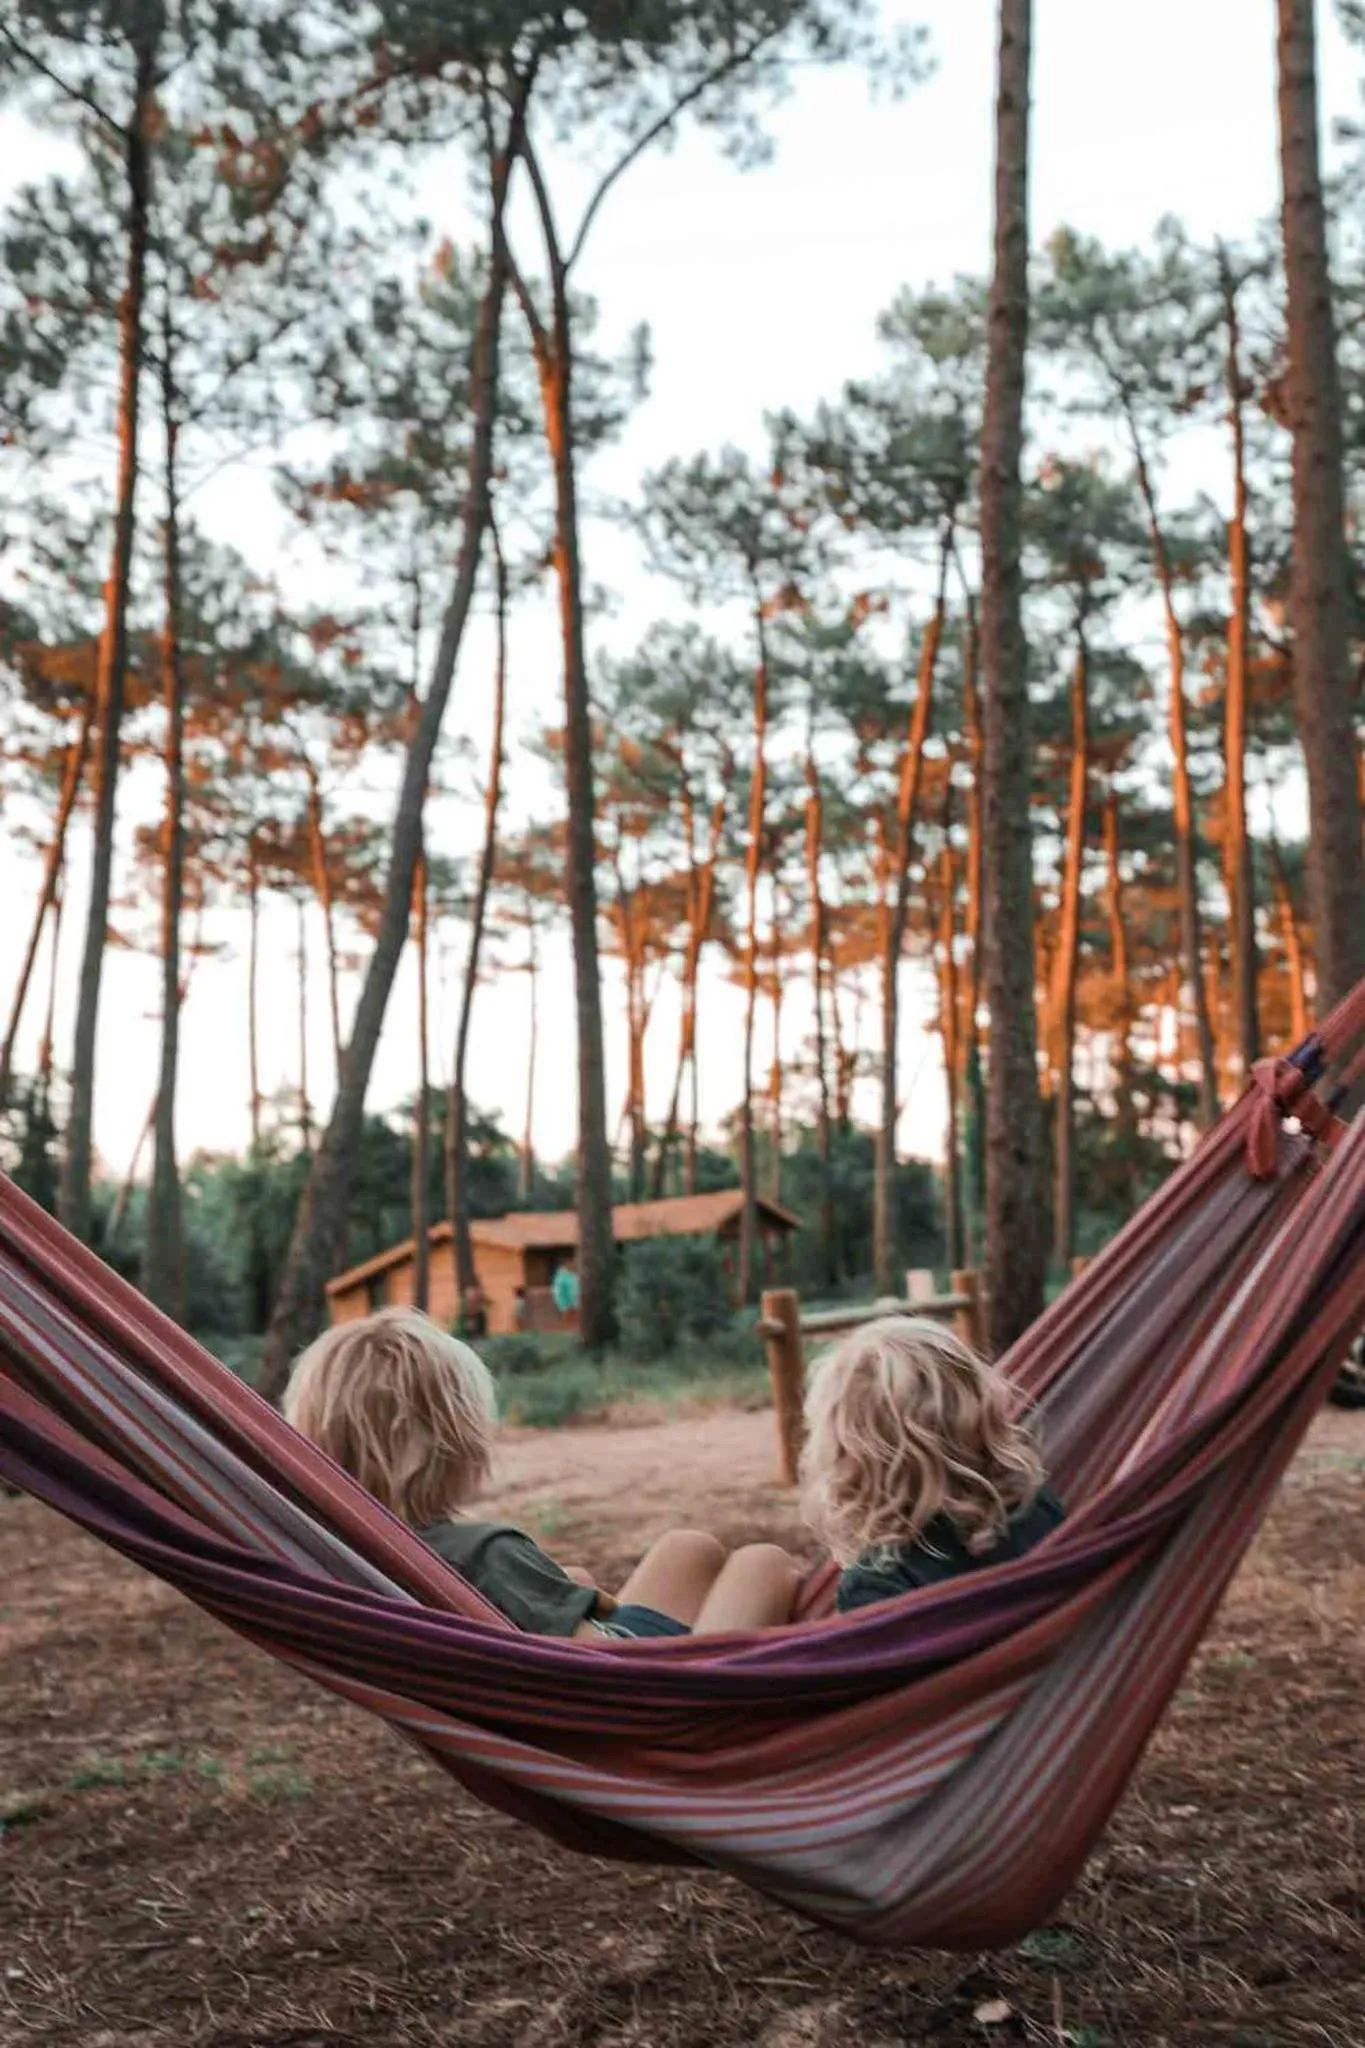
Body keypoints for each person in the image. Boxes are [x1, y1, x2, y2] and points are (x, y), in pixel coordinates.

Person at [284, 1307, 798, 1642]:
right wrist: (581, 1610)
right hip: (667, 1696)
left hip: (572, 1685)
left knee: (691, 1546)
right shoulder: (485, 1553)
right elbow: (606, 1669)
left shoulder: (367, 1555)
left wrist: (565, 1595)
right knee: (764, 1562)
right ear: (454, 1445)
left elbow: (526, 1621)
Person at [799, 1316, 1064, 1615]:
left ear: (845, 1455)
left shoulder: (877, 1582)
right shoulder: (1039, 1509)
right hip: (1060, 1657)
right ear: (982, 1415)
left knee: (759, 1563)